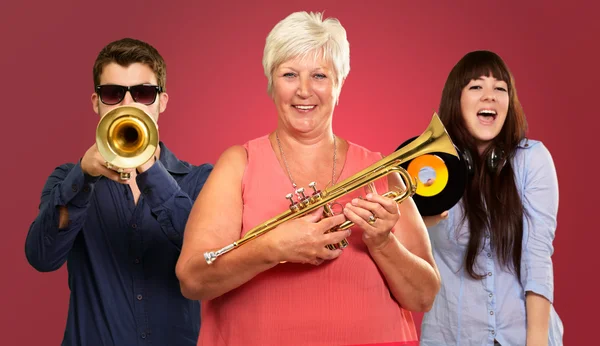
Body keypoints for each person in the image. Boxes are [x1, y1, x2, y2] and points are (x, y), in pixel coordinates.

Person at [176, 11, 441, 346]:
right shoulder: (237, 164)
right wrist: (274, 247)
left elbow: (424, 298)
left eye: (319, 75)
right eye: (289, 74)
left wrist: (383, 242)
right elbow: (192, 279)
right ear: (272, 83)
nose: (304, 90)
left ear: (338, 84)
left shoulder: (381, 172)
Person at [25, 38, 213, 346]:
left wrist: (151, 170)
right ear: (96, 103)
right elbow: (41, 257)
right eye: (113, 93)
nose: (128, 105)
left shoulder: (200, 180)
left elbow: (208, 256)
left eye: (143, 93)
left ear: (162, 101)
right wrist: (82, 177)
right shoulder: (67, 180)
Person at [419, 50, 563, 346]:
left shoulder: (532, 160)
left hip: (524, 335)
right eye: (476, 87)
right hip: (450, 337)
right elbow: (411, 259)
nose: (490, 96)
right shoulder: (429, 168)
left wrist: (536, 341)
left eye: (500, 88)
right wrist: (421, 217)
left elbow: (537, 257)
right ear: (456, 100)